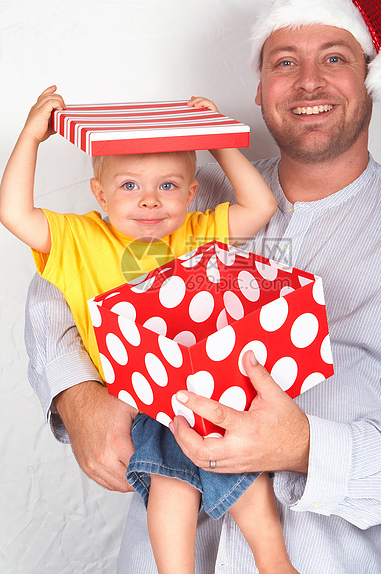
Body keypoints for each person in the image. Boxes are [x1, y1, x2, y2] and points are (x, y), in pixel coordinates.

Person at [23, 0, 381, 574]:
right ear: (259, 87)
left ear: (373, 78)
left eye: (335, 58)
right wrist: (76, 392)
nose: (308, 81)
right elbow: (62, 279)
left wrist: (303, 447)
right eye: (284, 61)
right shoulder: (187, 195)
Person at [0, 90, 299, 573]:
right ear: (99, 194)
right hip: (142, 397)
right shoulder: (80, 240)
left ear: (191, 191)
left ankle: (275, 563)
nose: (149, 202)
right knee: (172, 485)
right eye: (129, 186)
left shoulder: (194, 233)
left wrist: (219, 140)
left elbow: (260, 205)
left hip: (208, 387)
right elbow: (13, 213)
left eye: (167, 186)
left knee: (248, 472)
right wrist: (33, 137)